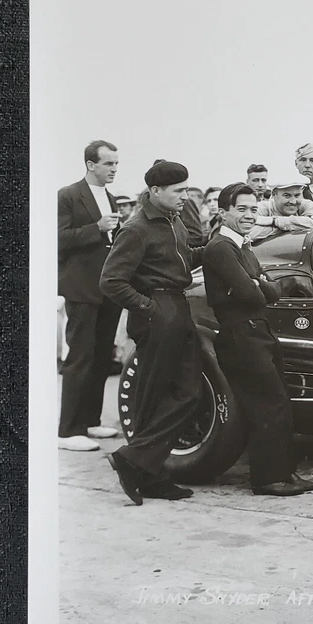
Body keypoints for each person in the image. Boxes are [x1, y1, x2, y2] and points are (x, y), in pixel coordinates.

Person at [99, 160, 205, 503]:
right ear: (155, 191)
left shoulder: (174, 221)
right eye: (178, 191)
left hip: (177, 307)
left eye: (187, 189)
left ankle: (140, 464)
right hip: (158, 313)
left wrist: (221, 249)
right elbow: (111, 281)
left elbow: (182, 260)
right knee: (153, 397)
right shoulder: (137, 228)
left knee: (186, 393)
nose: (185, 197)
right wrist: (147, 307)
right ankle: (145, 470)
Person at [202, 183, 313, 496]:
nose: (250, 215)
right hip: (241, 333)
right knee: (268, 404)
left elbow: (271, 291)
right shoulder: (221, 247)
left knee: (279, 400)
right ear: (223, 212)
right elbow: (252, 292)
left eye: (254, 209)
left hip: (257, 329)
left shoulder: (243, 247)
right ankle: (267, 479)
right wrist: (260, 284)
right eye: (242, 209)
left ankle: (284, 472)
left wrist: (260, 285)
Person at [57, 139, 123, 451]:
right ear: (90, 164)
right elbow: (57, 239)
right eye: (108, 163)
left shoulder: (108, 195)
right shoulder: (68, 195)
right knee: (80, 356)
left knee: (100, 356)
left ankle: (90, 421)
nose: (113, 169)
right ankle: (68, 431)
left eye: (116, 163)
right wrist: (96, 227)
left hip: (106, 286)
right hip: (81, 287)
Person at [248, 175, 313, 244]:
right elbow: (250, 234)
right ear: (274, 195)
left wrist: (274, 221)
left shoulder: (306, 205)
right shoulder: (261, 208)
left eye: (297, 195)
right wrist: (297, 227)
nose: (293, 201)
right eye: (287, 196)